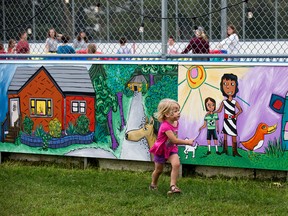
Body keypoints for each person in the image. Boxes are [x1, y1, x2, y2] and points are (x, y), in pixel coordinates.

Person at [149, 98, 194, 194]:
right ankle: (153, 184)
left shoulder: (176, 122)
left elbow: (173, 141)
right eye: (175, 111)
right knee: (158, 170)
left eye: (178, 110)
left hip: (171, 148)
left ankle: (173, 186)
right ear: (167, 114)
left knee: (176, 164)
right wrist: (188, 142)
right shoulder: (165, 126)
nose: (178, 113)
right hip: (161, 149)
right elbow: (174, 140)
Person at [215, 73, 243, 157]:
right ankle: (225, 149)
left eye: (232, 84)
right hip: (226, 120)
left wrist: (236, 115)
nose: (228, 87)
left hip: (232, 120)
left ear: (235, 87)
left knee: (233, 134)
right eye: (225, 84)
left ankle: (235, 151)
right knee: (225, 135)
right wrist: (213, 111)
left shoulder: (234, 102)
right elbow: (219, 110)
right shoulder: (224, 102)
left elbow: (240, 110)